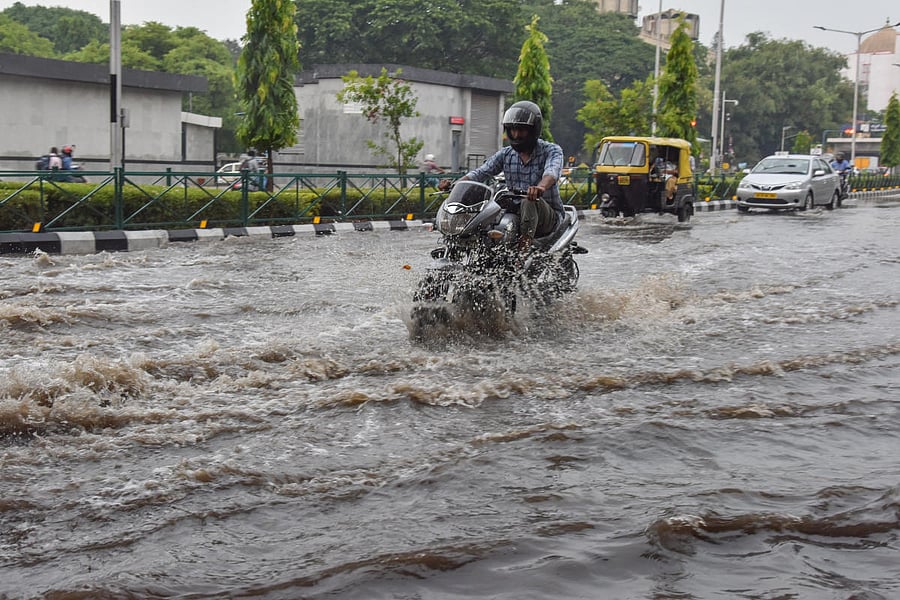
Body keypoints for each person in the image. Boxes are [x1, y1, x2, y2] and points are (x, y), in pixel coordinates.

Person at [439, 100, 563, 251]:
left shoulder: (551, 150)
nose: (516, 135)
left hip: (546, 215)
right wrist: (455, 185)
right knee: (489, 213)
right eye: (512, 130)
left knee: (529, 201)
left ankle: (523, 251)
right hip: (514, 211)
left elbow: (552, 172)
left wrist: (540, 187)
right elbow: (481, 172)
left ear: (533, 130)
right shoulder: (506, 154)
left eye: (521, 130)